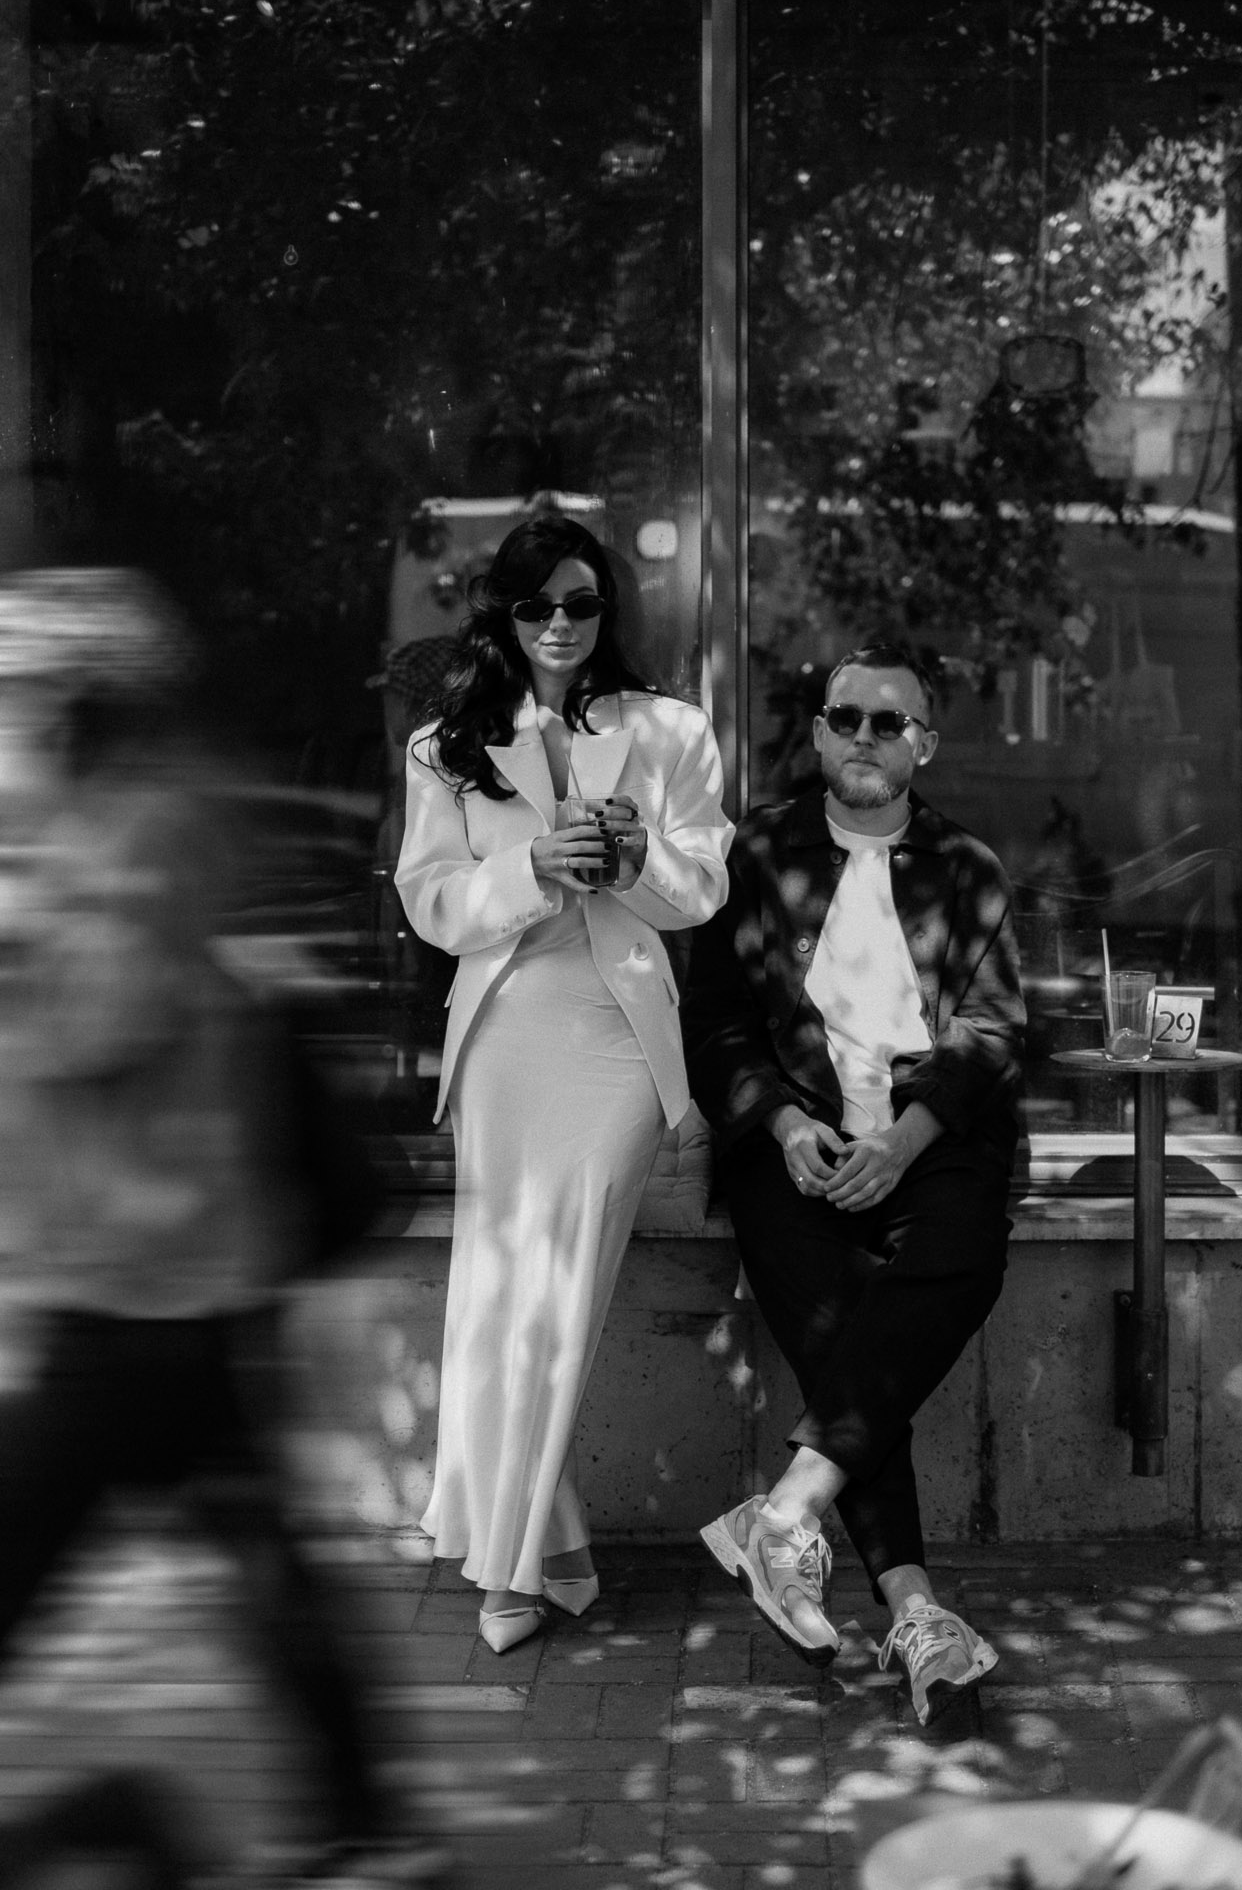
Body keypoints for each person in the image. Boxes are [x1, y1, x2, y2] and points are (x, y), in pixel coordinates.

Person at [0, 569, 435, 1885]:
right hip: (149, 1279)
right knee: (265, 1568)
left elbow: (104, 1017)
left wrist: (19, 935)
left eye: (22, 694)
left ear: (79, 702)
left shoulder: (136, 825)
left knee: (184, 1558)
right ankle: (371, 1829)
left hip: (148, 1286)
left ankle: (356, 1828)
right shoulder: (102, 824)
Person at [394, 504, 732, 1653]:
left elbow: (704, 889)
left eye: (582, 602)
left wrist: (635, 858)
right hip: (503, 1035)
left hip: (617, 1040)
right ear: (506, 611)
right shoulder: (444, 745)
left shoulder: (670, 729)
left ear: (606, 610)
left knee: (563, 1296)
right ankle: (546, 1543)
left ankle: (507, 1563)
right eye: (537, 603)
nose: (560, 623)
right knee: (501, 1298)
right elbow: (432, 902)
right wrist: (530, 866)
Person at [682, 642, 1025, 1725]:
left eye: (889, 722)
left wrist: (906, 1140)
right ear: (818, 732)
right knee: (851, 1353)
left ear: (926, 743)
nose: (864, 738)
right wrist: (784, 1124)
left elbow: (992, 1030)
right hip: (795, 1148)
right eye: (845, 718)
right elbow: (715, 1024)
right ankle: (918, 1616)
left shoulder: (966, 867)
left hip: (932, 1142)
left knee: (957, 1262)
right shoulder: (756, 852)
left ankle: (783, 1515)